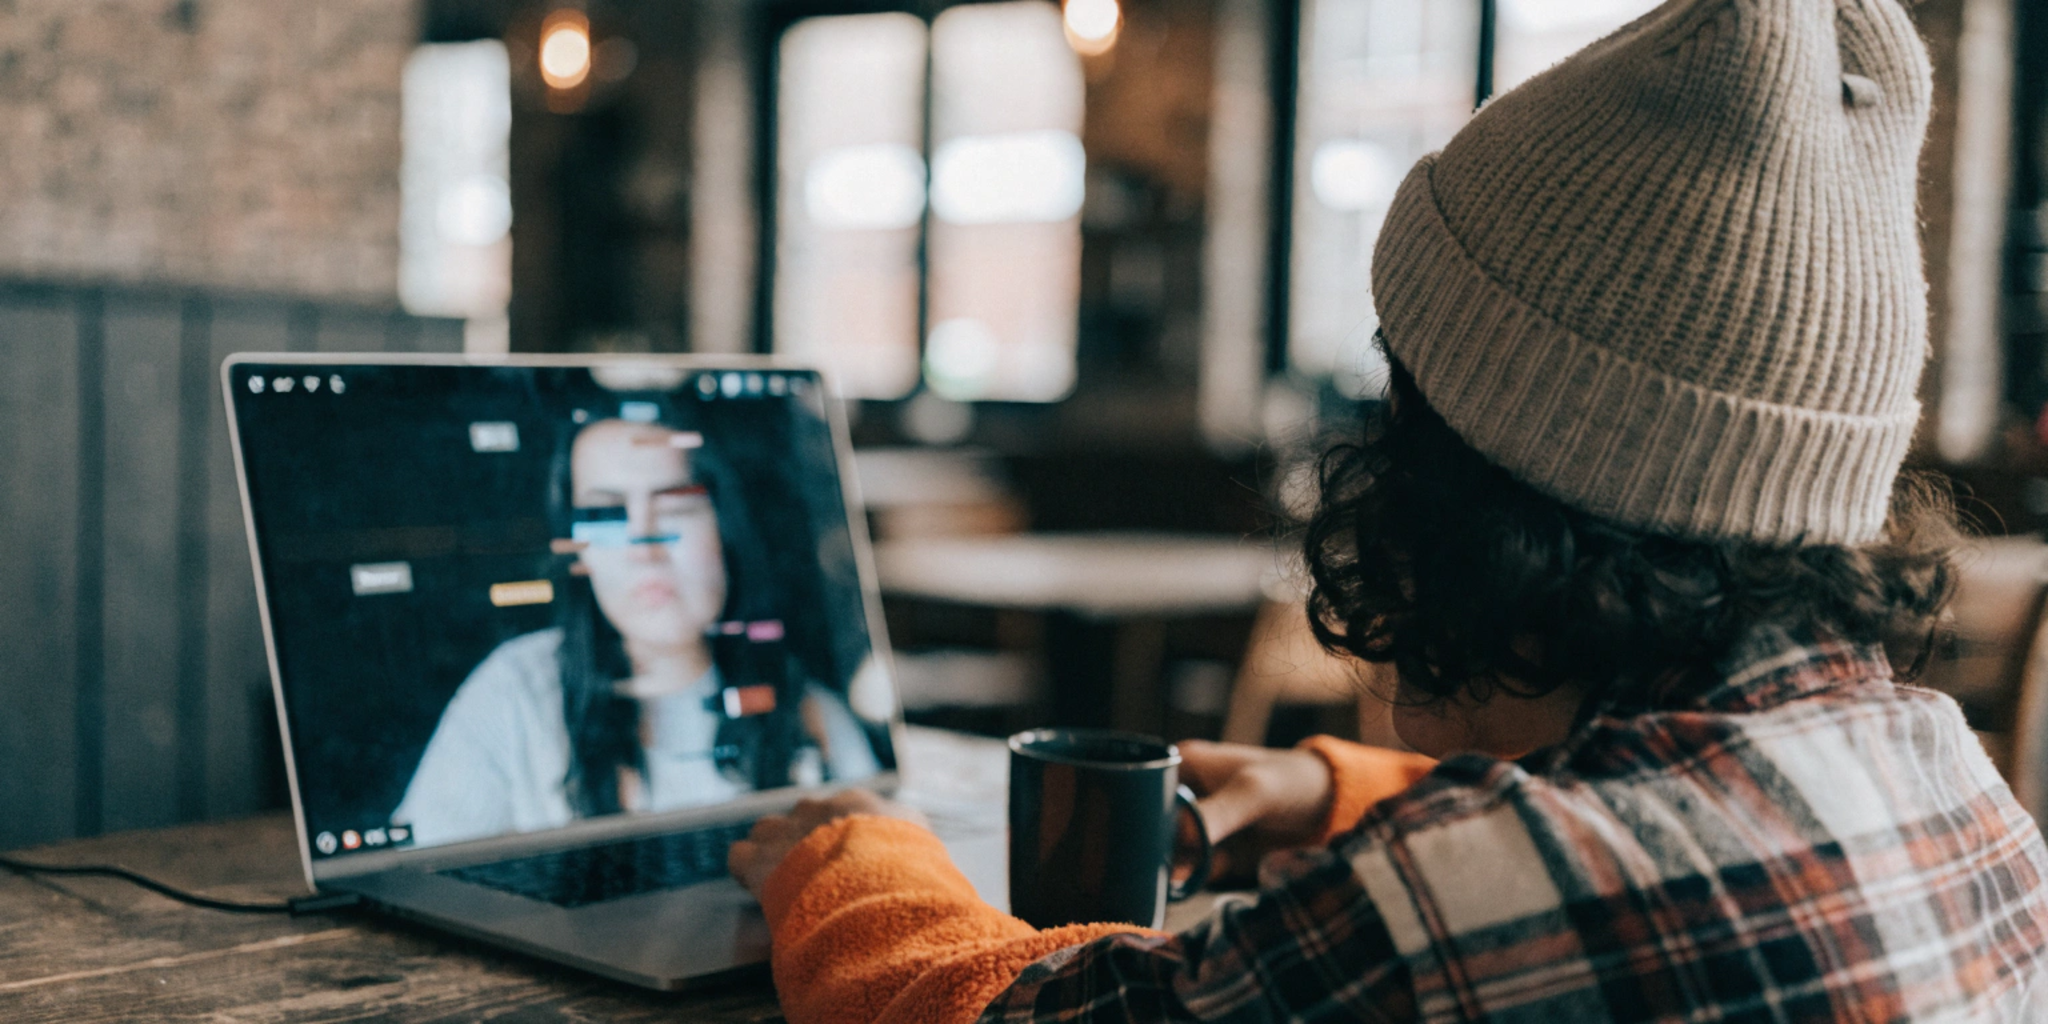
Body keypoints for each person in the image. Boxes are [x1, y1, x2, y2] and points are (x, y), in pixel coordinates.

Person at [722, 0, 2048, 1020]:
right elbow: (1668, 858)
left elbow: (1015, 1011)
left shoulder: (1473, 910)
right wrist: (1329, 791)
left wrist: (845, 856)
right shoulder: (1952, 788)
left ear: (1480, 486)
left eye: (1406, 398)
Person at [395, 413, 879, 847]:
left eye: (676, 507)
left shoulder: (810, 717)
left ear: (726, 528)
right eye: (605, 513)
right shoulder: (513, 696)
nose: (643, 546)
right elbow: (417, 879)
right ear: (579, 549)